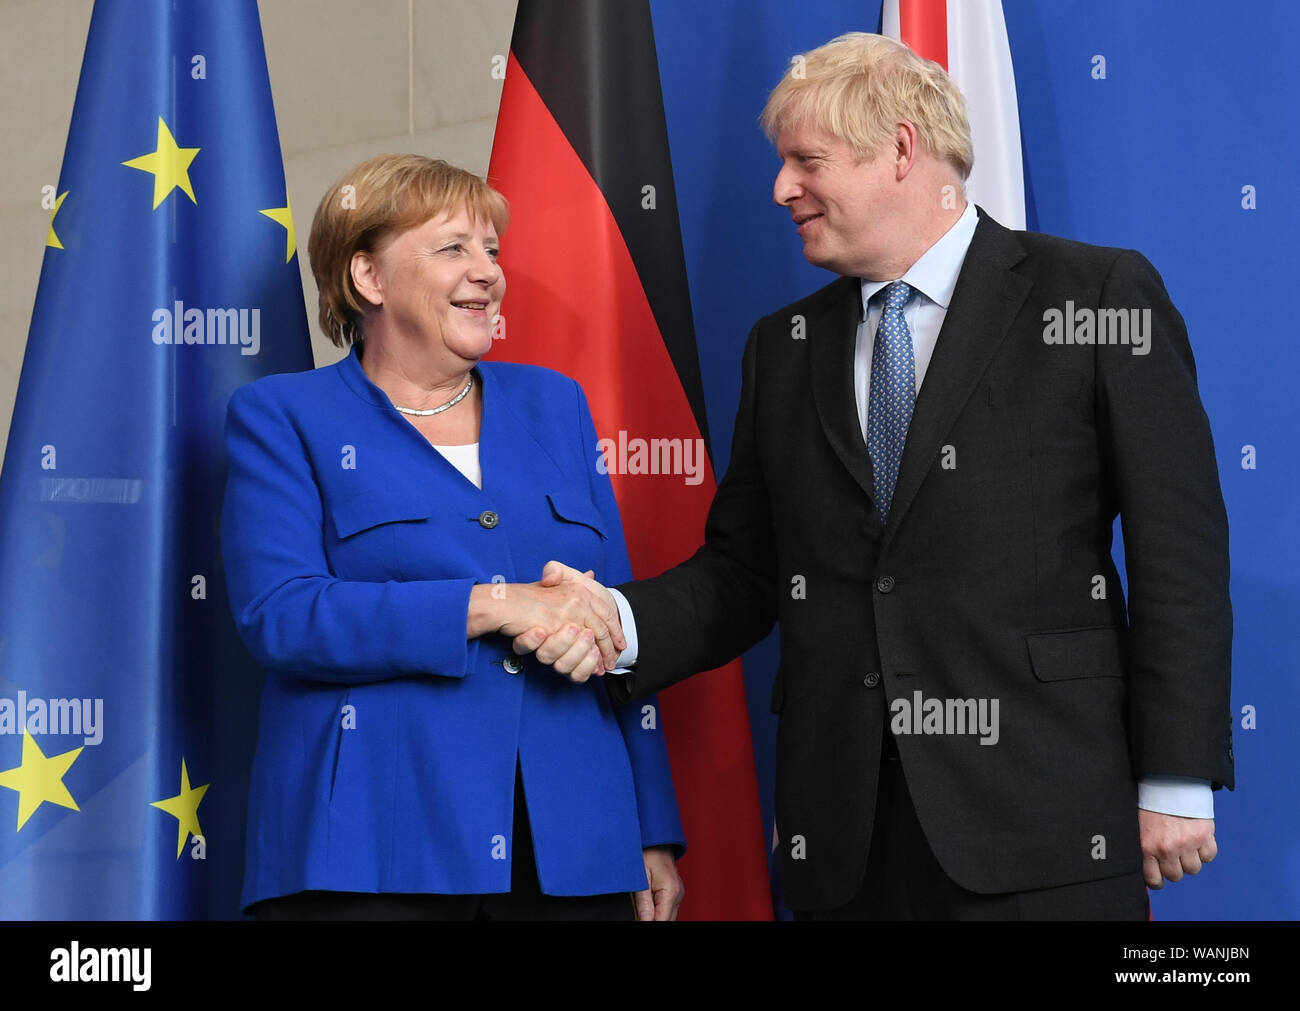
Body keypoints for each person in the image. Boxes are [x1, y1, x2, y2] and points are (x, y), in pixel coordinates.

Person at [538, 32, 1233, 919]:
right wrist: (614, 620)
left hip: (1046, 822)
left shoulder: (1092, 294)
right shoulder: (784, 348)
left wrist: (1176, 773)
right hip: (846, 842)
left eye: (805, 161)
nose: (782, 189)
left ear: (902, 149)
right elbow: (745, 574)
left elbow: (1181, 548)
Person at [220, 153, 684, 920]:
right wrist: (495, 604)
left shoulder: (555, 405)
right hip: (372, 849)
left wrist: (649, 823)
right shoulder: (283, 417)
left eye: (492, 250)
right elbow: (284, 614)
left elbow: (615, 621)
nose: (489, 273)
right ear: (369, 279)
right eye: (454, 248)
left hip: (575, 846)